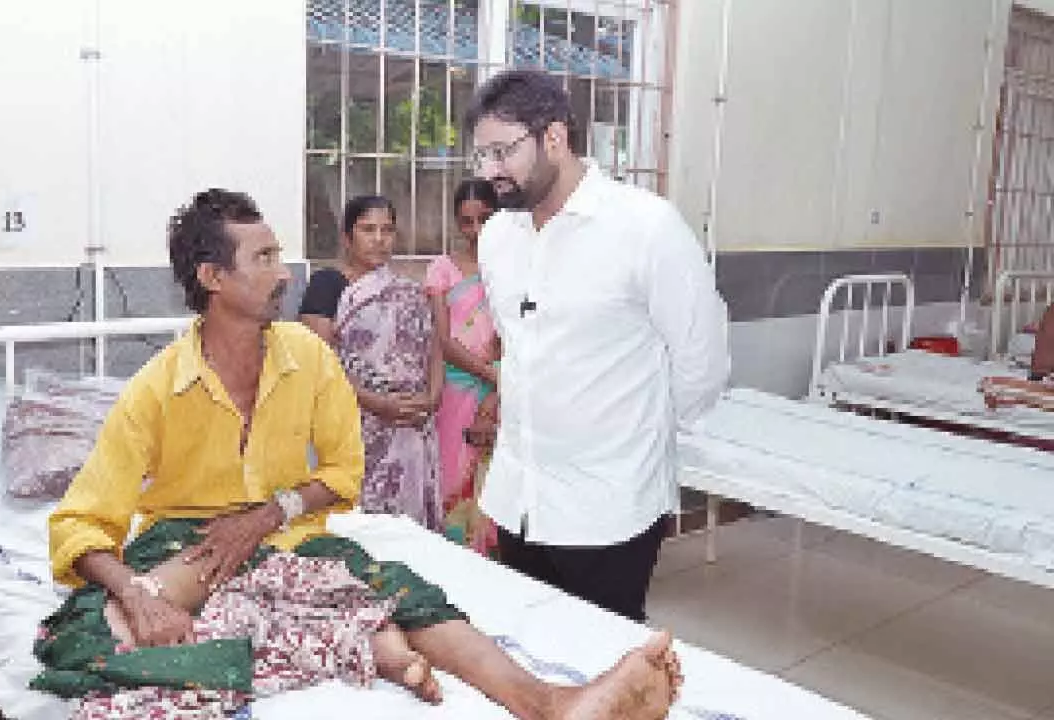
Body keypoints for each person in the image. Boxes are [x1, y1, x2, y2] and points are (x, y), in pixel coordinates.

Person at [35, 188, 683, 720]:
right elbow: (80, 522)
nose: (284, 273)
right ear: (213, 278)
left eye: (278, 255)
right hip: (192, 544)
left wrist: (268, 515)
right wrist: (136, 592)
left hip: (290, 535)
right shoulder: (157, 388)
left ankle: (550, 703)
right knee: (89, 636)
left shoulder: (308, 357)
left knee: (404, 592)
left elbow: (342, 474)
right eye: (262, 259)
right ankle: (351, 640)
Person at [465, 70, 731, 623]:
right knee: (526, 654)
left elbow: (701, 364)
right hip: (520, 500)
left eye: (503, 152)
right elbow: (519, 351)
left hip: (609, 507)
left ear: (555, 137)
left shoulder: (645, 228)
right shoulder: (497, 238)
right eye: (481, 156)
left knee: (605, 673)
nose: (490, 171)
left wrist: (634, 436)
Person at [299, 195, 444, 530]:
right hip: (357, 422)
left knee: (413, 528)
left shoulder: (406, 289)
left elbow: (434, 343)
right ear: (347, 237)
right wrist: (378, 403)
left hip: (413, 423)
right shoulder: (328, 285)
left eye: (387, 230)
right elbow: (322, 364)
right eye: (368, 229)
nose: (379, 239)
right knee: (364, 524)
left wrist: (434, 395)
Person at [425, 179, 503, 555]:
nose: (476, 231)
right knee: (453, 482)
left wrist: (498, 391)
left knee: (495, 491)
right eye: (467, 222)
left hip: (503, 393)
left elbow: (515, 335)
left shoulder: (511, 270)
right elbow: (444, 342)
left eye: (485, 220)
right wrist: (493, 377)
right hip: (456, 393)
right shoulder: (442, 269)